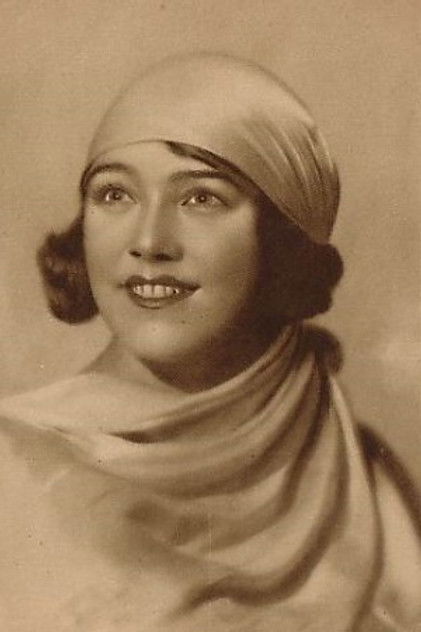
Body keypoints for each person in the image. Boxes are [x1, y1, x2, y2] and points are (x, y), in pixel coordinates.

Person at [0, 53, 419, 632]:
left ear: (280, 238)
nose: (150, 241)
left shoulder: (366, 484)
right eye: (115, 195)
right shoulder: (13, 465)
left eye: (201, 198)